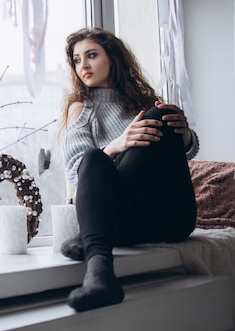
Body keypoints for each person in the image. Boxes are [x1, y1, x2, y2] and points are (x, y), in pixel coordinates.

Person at [59, 27, 199, 312]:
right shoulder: (80, 107)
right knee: (93, 158)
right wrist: (118, 144)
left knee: (161, 114)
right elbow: (77, 172)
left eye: (92, 55)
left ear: (112, 57)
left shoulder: (143, 104)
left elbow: (176, 163)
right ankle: (99, 275)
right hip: (122, 222)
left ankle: (86, 237)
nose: (83, 65)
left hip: (170, 216)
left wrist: (184, 137)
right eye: (76, 60)